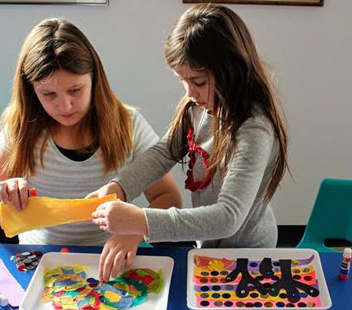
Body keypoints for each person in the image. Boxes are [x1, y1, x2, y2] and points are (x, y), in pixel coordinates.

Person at [90, 4, 289, 281]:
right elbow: (163, 153)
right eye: (182, 80)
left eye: (197, 80)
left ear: (231, 69)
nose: (189, 91)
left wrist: (141, 221)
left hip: (249, 256)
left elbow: (228, 217)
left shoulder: (254, 129)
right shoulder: (197, 107)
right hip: (207, 247)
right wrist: (120, 187)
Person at [0, 18, 181, 261]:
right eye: (49, 94)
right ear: (31, 90)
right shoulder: (20, 126)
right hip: (38, 259)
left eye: (75, 90)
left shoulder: (128, 124)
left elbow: (169, 199)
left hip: (107, 259)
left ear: (94, 78)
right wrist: (1, 194)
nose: (65, 105)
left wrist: (136, 229)